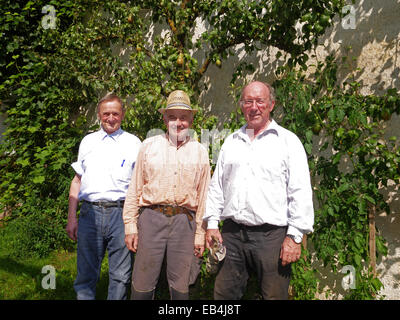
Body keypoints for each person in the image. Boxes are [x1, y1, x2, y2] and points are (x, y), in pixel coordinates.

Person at [203, 81, 314, 300]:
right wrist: (213, 225)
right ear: (242, 106)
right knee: (223, 296)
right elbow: (217, 187)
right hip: (232, 235)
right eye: (248, 101)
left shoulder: (288, 142)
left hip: (271, 237)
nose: (254, 107)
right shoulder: (231, 142)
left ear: (271, 104)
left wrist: (295, 237)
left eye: (260, 101)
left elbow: (300, 191)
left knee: (273, 296)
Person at [123, 90, 211, 300]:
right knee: (143, 281)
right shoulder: (148, 147)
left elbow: (204, 196)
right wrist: (130, 226)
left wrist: (200, 234)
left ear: (191, 119)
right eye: (172, 117)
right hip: (151, 218)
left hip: (184, 222)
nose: (178, 123)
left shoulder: (200, 151)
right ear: (164, 119)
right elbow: (135, 188)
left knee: (181, 283)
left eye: (183, 117)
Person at [66, 93, 142, 300]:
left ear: (123, 115)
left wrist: (133, 221)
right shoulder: (88, 141)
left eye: (115, 113)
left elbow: (139, 185)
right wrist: (72, 217)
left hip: (122, 214)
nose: (110, 118)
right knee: (86, 274)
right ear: (99, 115)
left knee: (120, 276)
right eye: (106, 113)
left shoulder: (134, 143)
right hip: (90, 213)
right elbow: (77, 181)